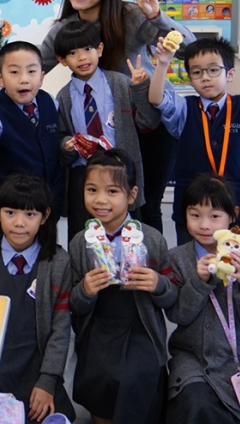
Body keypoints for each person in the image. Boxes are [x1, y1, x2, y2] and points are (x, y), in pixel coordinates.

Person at [149, 36, 240, 372]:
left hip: (235, 211)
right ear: (189, 77)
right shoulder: (185, 110)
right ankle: (196, 339)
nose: (205, 77)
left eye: (213, 70)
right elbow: (157, 98)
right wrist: (162, 64)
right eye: (197, 72)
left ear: (229, 74)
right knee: (194, 273)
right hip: (193, 213)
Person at [39, 0, 194, 231]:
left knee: (145, 206)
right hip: (107, 131)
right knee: (101, 209)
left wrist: (156, 16)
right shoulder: (65, 29)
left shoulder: (131, 15)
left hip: (149, 123)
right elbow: (33, 67)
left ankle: (148, 260)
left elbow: (188, 49)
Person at [68, 149, 174, 424]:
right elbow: (73, 305)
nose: (100, 200)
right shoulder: (80, 243)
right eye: (92, 190)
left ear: (132, 195)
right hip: (97, 328)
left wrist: (158, 284)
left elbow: (173, 299)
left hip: (140, 325)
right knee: (100, 377)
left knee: (137, 376)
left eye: (112, 191)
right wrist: (85, 290)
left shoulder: (152, 239)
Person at [0, 174, 73, 423]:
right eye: (10, 213)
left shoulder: (59, 263)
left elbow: (61, 329)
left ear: (45, 216)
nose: (19, 223)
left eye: (30, 214)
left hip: (36, 372)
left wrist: (47, 381)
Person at [166, 174, 240, 424]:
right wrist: (198, 282)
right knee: (196, 405)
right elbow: (178, 315)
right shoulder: (177, 259)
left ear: (233, 215)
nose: (204, 225)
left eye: (214, 216)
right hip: (191, 358)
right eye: (195, 215)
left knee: (225, 412)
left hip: (237, 362)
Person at [55, 19, 160, 242]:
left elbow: (148, 121)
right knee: (83, 236)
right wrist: (66, 145)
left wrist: (140, 89)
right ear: (62, 60)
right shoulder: (63, 97)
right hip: (83, 175)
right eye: (72, 53)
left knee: (127, 237)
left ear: (100, 49)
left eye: (88, 49)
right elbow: (61, 135)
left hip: (121, 170)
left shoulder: (120, 83)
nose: (82, 57)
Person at [0, 43, 64, 214]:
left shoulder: (50, 102)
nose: (24, 79)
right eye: (14, 72)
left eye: (31, 71)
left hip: (48, 204)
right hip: (10, 206)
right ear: (0, 78)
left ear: (41, 77)